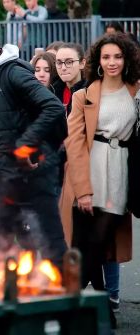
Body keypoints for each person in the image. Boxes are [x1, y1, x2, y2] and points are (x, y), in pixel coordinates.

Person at [0, 28, 68, 270]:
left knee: (51, 243)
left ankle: (74, 302)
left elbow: (54, 107)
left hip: (35, 171)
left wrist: (26, 145)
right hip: (10, 173)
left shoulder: (11, 73)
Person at [60, 33, 140, 321]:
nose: (112, 62)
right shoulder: (84, 95)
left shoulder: (137, 92)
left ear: (127, 58)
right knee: (85, 245)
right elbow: (74, 143)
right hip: (87, 171)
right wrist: (82, 190)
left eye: (118, 56)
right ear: (98, 60)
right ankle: (99, 310)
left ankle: (85, 307)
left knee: (98, 243)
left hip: (119, 171)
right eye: (106, 57)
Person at [54, 43, 86, 116]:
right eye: (59, 63)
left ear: (82, 63)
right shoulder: (52, 90)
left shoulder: (90, 91)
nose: (63, 68)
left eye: (69, 62)